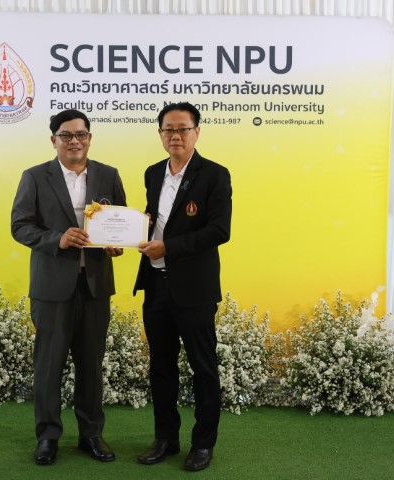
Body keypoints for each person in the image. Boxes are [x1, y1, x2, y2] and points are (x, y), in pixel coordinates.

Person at [11, 109, 125, 466]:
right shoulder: (34, 176)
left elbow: (119, 222)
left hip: (95, 285)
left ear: (89, 138)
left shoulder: (108, 175)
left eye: (80, 134)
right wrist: (57, 239)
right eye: (66, 135)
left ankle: (91, 435)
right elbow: (20, 226)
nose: (74, 141)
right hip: (52, 287)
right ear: (54, 140)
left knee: (91, 364)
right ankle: (47, 437)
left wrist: (117, 244)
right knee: (49, 365)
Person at [134, 102, 232, 472]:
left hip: (194, 290)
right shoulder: (153, 172)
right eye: (168, 130)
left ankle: (203, 444)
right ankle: (166, 439)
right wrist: (124, 231)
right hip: (155, 285)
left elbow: (219, 230)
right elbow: (154, 219)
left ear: (196, 132)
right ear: (160, 134)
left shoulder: (214, 175)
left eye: (182, 129)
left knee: (203, 368)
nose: (175, 136)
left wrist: (169, 247)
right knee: (161, 366)